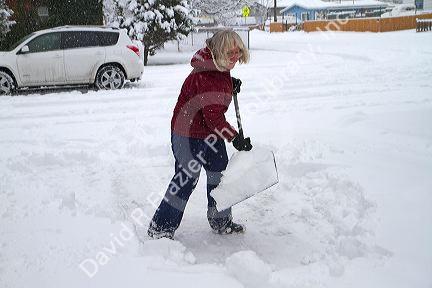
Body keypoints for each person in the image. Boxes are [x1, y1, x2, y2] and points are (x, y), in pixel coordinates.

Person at [148, 30, 252, 240]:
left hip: (209, 132)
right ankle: (161, 228)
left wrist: (229, 84)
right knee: (186, 179)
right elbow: (214, 118)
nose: (236, 56)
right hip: (188, 134)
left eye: (238, 51)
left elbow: (216, 85)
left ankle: (221, 220)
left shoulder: (217, 65)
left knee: (219, 175)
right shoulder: (205, 75)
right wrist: (235, 138)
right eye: (231, 52)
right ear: (219, 51)